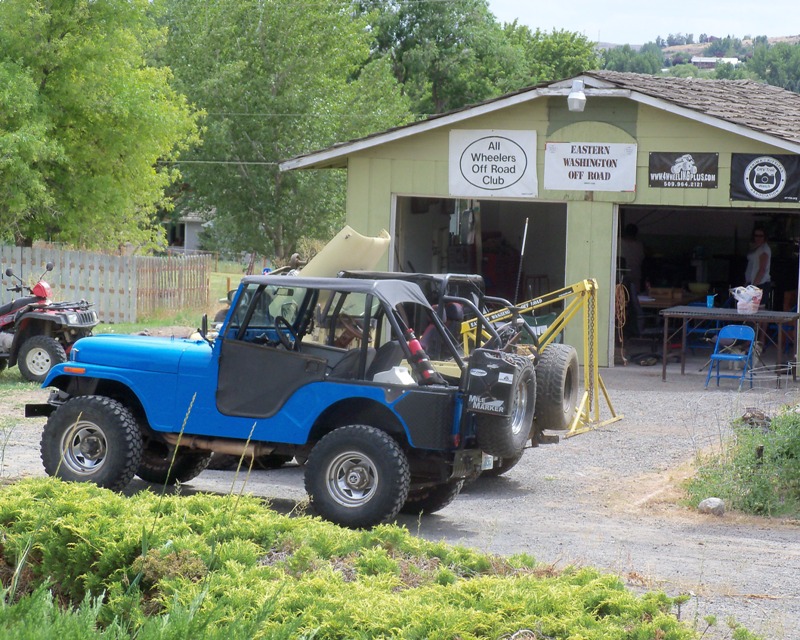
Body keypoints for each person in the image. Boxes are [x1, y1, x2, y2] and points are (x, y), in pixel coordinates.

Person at [745, 226, 772, 309]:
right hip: (751, 282)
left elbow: (762, 269)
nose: (758, 238)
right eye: (756, 236)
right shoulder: (755, 248)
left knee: (759, 312)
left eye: (761, 236)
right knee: (749, 309)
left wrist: (753, 286)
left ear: (765, 237)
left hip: (760, 284)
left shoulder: (764, 249)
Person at [619, 223, 646, 292]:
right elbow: (642, 258)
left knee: (622, 295)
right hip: (635, 273)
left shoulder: (619, 242)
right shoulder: (639, 245)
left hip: (623, 274)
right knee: (635, 296)